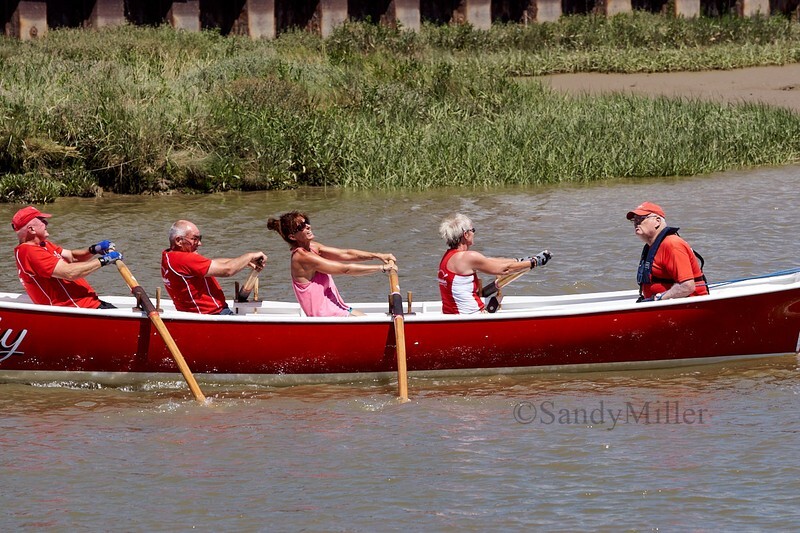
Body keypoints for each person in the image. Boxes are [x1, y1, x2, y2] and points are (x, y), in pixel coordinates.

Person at [267, 211, 397, 317]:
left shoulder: (313, 247)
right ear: (292, 237)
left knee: (365, 319)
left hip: (338, 308)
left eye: (306, 222)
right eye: (301, 226)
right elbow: (345, 269)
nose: (308, 226)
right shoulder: (301, 257)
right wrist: (383, 268)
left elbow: (346, 254)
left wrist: (378, 256)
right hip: (325, 316)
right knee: (368, 323)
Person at [437, 213, 552, 314]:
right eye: (473, 230)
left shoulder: (449, 257)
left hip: (453, 314)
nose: (474, 233)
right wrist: (534, 262)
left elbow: (488, 261)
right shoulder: (469, 257)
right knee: (499, 299)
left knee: (498, 299)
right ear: (466, 234)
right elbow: (504, 270)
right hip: (471, 316)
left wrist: (519, 260)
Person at [12, 205, 122, 309]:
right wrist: (104, 260)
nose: (46, 223)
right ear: (31, 229)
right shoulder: (30, 252)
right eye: (42, 220)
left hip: (89, 302)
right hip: (76, 308)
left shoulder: (43, 244)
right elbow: (70, 273)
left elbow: (72, 257)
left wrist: (93, 249)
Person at [161, 220, 267, 315]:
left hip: (204, 313)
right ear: (179, 240)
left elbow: (212, 263)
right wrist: (250, 256)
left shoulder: (170, 256)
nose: (200, 243)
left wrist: (244, 262)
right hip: (212, 314)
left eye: (199, 238)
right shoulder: (184, 259)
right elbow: (228, 270)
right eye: (195, 239)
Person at [627, 201, 708, 302]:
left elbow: (687, 286)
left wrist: (660, 298)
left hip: (689, 305)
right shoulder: (651, 246)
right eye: (634, 219)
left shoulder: (672, 244)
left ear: (657, 221)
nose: (636, 222)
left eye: (641, 218)